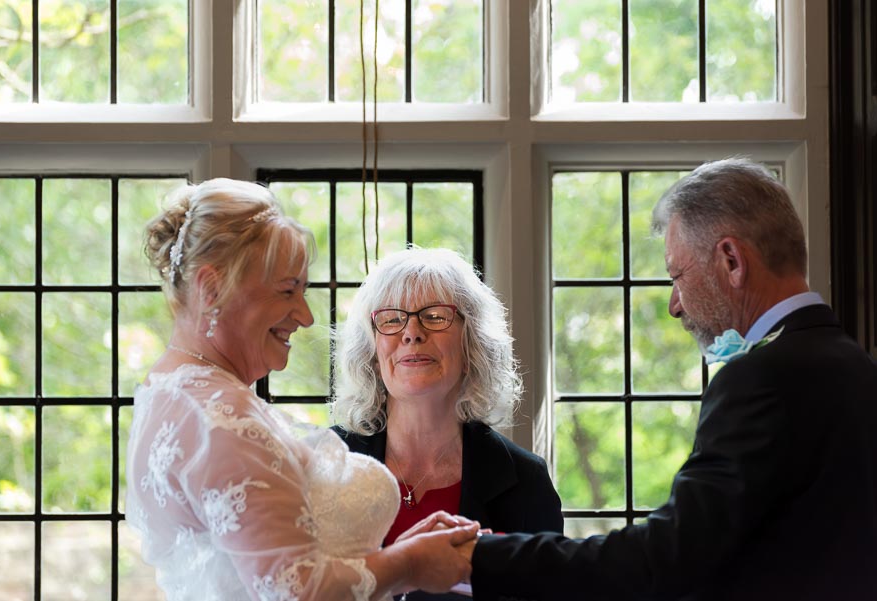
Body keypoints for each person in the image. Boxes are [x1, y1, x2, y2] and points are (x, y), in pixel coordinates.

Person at [462, 158, 877, 600]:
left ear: (731, 260)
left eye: (677, 275)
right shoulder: (855, 366)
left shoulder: (762, 379)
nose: (674, 305)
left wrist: (477, 556)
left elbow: (667, 559)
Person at [125, 179, 478, 601]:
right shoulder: (218, 416)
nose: (307, 316)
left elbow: (262, 568)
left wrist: (395, 556)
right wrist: (410, 564)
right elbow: (297, 592)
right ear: (212, 288)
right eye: (288, 291)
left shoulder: (171, 393)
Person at [331, 247, 563, 600]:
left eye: (436, 316)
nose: (412, 332)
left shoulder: (525, 482)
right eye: (392, 320)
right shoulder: (327, 464)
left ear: (472, 348)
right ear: (373, 354)